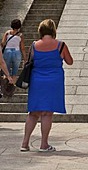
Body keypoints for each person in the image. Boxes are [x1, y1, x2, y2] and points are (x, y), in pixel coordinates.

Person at [20, 19, 73, 152]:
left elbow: (28, 61)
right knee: (47, 113)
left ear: (41, 30)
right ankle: (44, 144)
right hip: (54, 81)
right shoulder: (61, 45)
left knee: (33, 113)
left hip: (37, 80)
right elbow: (69, 61)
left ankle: (25, 143)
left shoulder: (34, 45)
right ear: (53, 30)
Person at [1, 19, 27, 84]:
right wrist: (25, 59)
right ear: (19, 26)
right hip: (17, 52)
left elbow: (2, 43)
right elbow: (23, 48)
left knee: (6, 71)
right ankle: (12, 89)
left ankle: (5, 89)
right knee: (15, 73)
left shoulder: (7, 33)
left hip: (7, 52)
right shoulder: (20, 35)